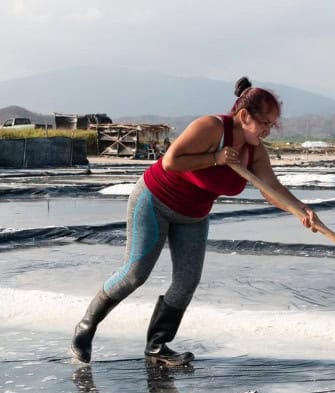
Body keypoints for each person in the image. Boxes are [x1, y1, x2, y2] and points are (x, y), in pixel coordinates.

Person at [71, 76, 320, 366]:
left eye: (272, 125)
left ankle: (157, 345)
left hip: (193, 214)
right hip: (155, 201)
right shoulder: (211, 127)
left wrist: (301, 210)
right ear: (244, 116)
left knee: (187, 281)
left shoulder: (255, 152)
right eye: (265, 123)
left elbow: (272, 189)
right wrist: (215, 157)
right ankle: (85, 328)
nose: (267, 130)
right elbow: (170, 161)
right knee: (135, 274)